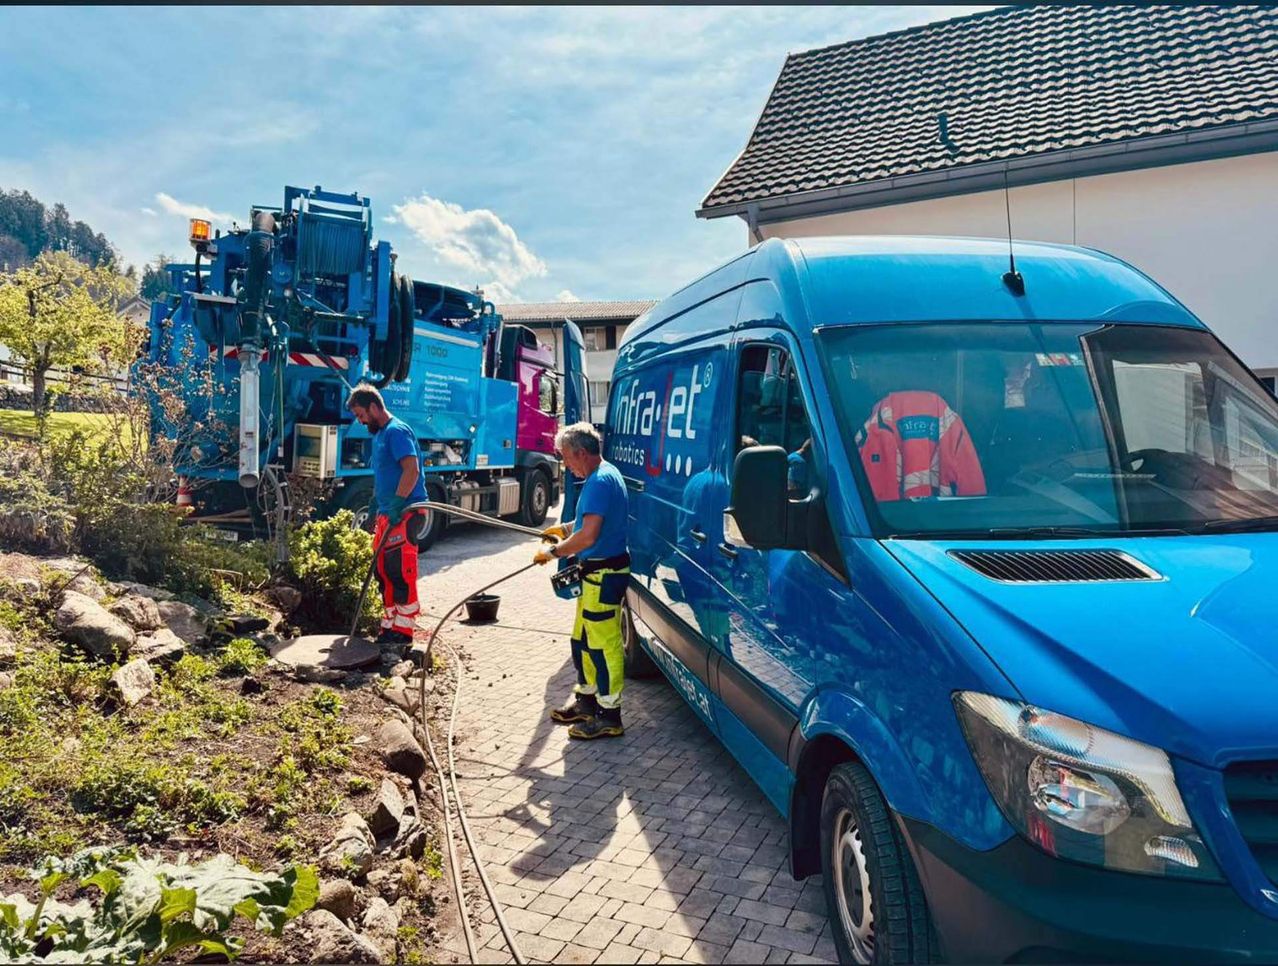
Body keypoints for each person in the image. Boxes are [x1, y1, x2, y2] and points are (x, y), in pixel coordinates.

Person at [534, 422, 630, 739]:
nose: (565, 465)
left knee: (603, 646)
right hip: (593, 576)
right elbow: (587, 521)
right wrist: (562, 530)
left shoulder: (601, 481)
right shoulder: (598, 478)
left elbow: (588, 536)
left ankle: (609, 715)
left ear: (581, 452)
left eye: (566, 458)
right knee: (583, 641)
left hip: (604, 575)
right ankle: (587, 703)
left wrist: (554, 552)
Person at [346, 383, 428, 649]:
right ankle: (390, 625)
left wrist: (397, 504)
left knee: (399, 570)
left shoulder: (396, 432)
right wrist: (375, 505)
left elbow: (411, 470)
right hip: (388, 511)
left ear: (373, 407)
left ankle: (404, 632)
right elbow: (384, 475)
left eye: (361, 414)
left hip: (405, 511)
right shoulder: (379, 435)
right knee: (383, 572)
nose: (360, 421)